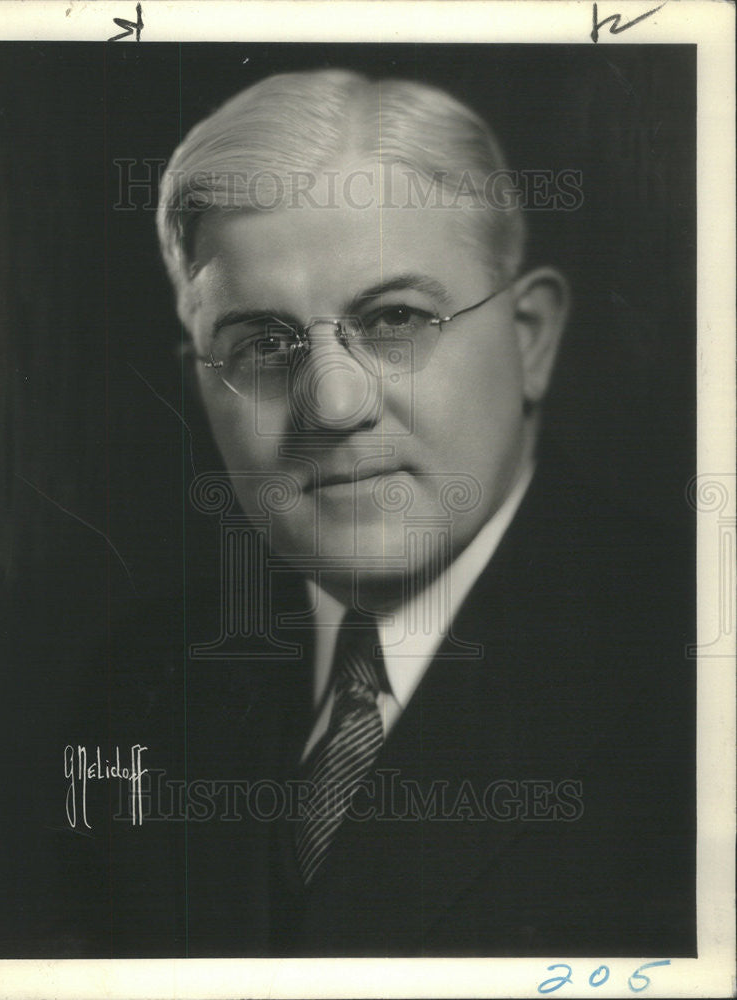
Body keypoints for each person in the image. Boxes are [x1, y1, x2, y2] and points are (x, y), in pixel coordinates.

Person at [150, 69, 695, 957]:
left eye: (395, 319)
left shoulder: (697, 662)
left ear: (531, 341)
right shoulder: (131, 690)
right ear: (198, 389)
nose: (330, 403)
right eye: (261, 346)